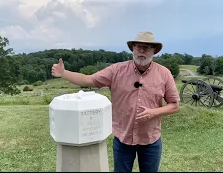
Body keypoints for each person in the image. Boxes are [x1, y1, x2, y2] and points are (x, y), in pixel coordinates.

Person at [51, 31, 180, 172]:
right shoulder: (116, 71)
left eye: (147, 47)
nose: (141, 51)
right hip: (123, 139)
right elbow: (88, 79)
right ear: (133, 49)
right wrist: (64, 73)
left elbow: (174, 105)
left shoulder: (164, 74)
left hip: (151, 140)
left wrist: (154, 112)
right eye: (138, 47)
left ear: (154, 51)